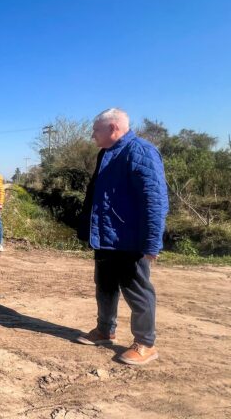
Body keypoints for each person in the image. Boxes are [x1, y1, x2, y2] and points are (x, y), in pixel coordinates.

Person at [75, 108, 169, 366]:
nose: (92, 134)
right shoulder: (105, 153)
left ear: (113, 128)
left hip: (130, 239)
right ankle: (105, 330)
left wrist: (152, 242)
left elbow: (155, 200)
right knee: (104, 286)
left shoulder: (141, 152)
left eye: (96, 130)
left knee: (137, 292)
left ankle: (145, 343)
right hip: (105, 237)